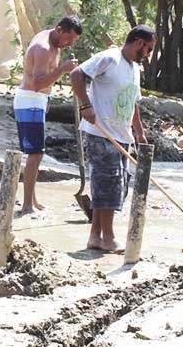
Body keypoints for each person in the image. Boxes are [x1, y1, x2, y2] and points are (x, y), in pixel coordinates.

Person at [70, 25, 154, 251]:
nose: (148, 54)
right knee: (108, 184)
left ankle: (95, 237)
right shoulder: (110, 58)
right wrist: (85, 105)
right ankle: (108, 237)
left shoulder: (134, 69)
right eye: (149, 49)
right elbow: (77, 74)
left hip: (122, 136)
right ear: (139, 43)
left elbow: (132, 103)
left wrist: (140, 132)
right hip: (101, 132)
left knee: (117, 186)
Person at [14, 16, 82, 213]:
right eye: (68, 40)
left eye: (73, 42)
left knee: (37, 154)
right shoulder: (43, 48)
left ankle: (32, 200)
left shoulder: (54, 42)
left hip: (39, 102)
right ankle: (27, 205)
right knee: (35, 154)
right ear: (59, 30)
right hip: (30, 100)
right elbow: (37, 83)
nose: (69, 44)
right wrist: (62, 69)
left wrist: (48, 100)